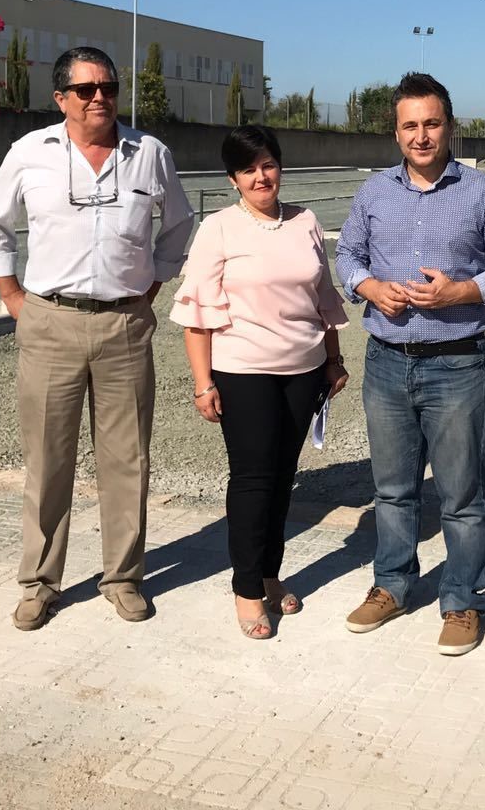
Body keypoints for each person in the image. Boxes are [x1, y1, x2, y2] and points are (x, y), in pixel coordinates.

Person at [0, 46, 194, 631]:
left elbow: (179, 225)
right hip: (50, 322)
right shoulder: (30, 154)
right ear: (61, 98)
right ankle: (40, 582)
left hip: (125, 325)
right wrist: (12, 297)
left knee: (128, 460)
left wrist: (151, 288)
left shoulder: (149, 155)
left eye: (109, 86)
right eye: (87, 88)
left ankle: (123, 577)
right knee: (47, 461)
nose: (101, 96)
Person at [335, 72, 485, 656]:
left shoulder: (482, 192)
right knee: (392, 490)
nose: (422, 136)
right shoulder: (373, 193)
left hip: (457, 365)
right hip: (387, 363)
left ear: (450, 126)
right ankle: (392, 585)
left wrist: (462, 292)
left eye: (432, 123)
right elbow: (347, 254)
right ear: (396, 133)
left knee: (461, 496)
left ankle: (462, 599)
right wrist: (367, 286)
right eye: (410, 125)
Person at [171, 125, 351, 640]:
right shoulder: (219, 229)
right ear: (233, 179)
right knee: (252, 482)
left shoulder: (306, 222)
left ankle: (271, 574)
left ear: (280, 167)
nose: (261, 176)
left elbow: (323, 297)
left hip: (303, 371)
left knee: (281, 479)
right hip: (243, 371)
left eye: (268, 164)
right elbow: (197, 313)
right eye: (248, 169)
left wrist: (333, 359)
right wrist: (203, 382)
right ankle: (247, 590)